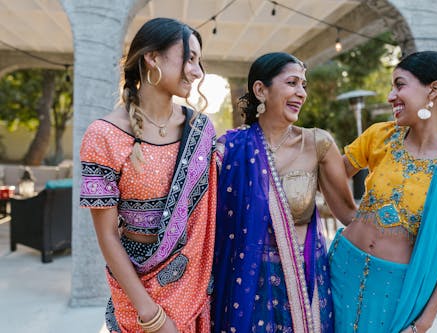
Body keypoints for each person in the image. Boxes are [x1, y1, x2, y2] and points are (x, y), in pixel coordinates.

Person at [328, 50, 437, 333]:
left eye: (400, 85)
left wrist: (423, 323)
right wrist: (347, 214)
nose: (391, 96)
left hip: (395, 288)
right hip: (340, 269)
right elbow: (330, 176)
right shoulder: (380, 135)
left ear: (434, 89)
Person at [79, 18, 217, 333]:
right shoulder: (104, 135)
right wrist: (151, 316)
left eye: (199, 61)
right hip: (135, 297)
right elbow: (107, 236)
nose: (197, 71)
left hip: (194, 291)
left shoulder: (201, 132)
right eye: (190, 58)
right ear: (152, 57)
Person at [211, 52, 356, 332]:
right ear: (260, 90)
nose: (301, 93)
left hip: (305, 282)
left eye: (303, 85)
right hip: (248, 286)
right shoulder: (230, 148)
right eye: (292, 83)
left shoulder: (317, 144)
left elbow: (348, 214)